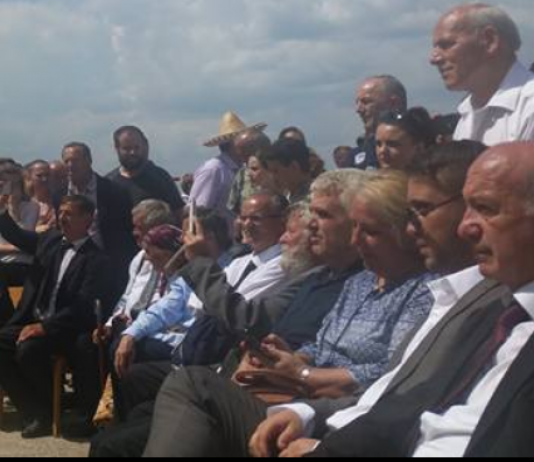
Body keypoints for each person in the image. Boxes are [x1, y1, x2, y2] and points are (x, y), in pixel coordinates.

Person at [256, 142, 534, 458]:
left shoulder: (473, 303)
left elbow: (403, 404)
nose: (466, 226)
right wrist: (302, 400)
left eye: (486, 208)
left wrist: (304, 383)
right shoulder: (460, 299)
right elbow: (394, 398)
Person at [140, 170, 436, 457]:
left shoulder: (424, 293)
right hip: (289, 395)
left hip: (331, 421)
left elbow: (391, 378)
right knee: (140, 412)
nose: (356, 239)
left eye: (368, 230)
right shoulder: (357, 282)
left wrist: (304, 374)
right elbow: (321, 345)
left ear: (405, 232)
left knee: (193, 385)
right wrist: (286, 358)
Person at [89, 171, 366, 458]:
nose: (290, 235)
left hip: (271, 395)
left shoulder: (312, 274)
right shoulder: (312, 276)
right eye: (242, 217)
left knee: (182, 389)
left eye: (321, 216)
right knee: (133, 403)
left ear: (357, 223)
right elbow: (207, 308)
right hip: (236, 371)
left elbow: (244, 318)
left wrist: (297, 370)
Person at [0, 195, 112, 439]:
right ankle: (34, 411)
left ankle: (51, 407)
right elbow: (18, 236)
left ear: (87, 219)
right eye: (61, 212)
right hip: (35, 319)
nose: (62, 218)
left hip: (66, 328)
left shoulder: (97, 260)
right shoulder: (49, 241)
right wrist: (1, 213)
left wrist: (45, 327)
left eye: (69, 213)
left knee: (28, 350)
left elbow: (82, 306)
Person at [431, 3, 534, 144]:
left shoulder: (529, 107)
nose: (434, 59)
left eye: (446, 45)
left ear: (490, 41)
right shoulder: (467, 112)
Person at [62, 142, 137, 302]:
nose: (70, 165)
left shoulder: (114, 191)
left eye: (75, 160)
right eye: (66, 161)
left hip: (108, 264)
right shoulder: (60, 194)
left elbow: (126, 231)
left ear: (89, 160)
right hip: (74, 264)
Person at [191, 113, 267, 228]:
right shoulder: (213, 169)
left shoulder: (243, 169)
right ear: (235, 145)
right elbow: (199, 210)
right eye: (249, 144)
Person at [107, 125, 185, 216]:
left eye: (136, 147)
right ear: (117, 149)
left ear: (144, 146)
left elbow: (179, 213)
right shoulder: (109, 184)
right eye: (127, 148)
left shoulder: (160, 178)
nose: (132, 152)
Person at [354, 75, 408, 170]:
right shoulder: (358, 153)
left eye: (366, 102)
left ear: (393, 103)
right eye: (357, 103)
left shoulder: (426, 143)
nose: (358, 109)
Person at [0, 161, 39, 287]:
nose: (10, 189)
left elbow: (24, 240)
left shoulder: (32, 207)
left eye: (15, 184)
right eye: (6, 184)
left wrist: (14, 208)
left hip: (24, 265)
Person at [259, 139, 313, 204]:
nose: (273, 177)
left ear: (294, 167)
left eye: (276, 171)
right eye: (270, 171)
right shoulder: (287, 196)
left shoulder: (314, 199)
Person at [24, 160, 57, 233]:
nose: (44, 179)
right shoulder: (23, 204)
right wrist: (35, 230)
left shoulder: (60, 202)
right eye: (39, 176)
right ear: (29, 177)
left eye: (47, 175)